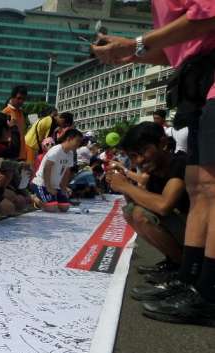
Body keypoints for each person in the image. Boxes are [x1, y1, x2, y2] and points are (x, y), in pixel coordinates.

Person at [93, 0, 215, 325]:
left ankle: (209, 291)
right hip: (198, 87)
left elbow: (207, 16)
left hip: (210, 81)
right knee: (202, 189)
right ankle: (191, 281)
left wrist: (136, 43)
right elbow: (177, 49)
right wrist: (129, 53)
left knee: (211, 192)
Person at [106, 123, 189, 301]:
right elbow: (138, 202)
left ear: (163, 143)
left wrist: (126, 185)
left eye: (143, 152)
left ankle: (186, 269)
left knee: (141, 215)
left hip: (202, 235)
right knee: (130, 211)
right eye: (133, 156)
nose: (139, 161)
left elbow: (163, 205)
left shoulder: (179, 162)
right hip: (187, 230)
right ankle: (175, 262)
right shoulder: (153, 171)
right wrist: (123, 187)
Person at [31, 129, 83, 213]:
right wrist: (48, 187)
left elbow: (67, 172)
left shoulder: (70, 153)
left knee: (65, 208)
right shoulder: (56, 150)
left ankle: (50, 199)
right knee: (52, 209)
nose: (79, 144)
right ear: (69, 139)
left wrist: (63, 188)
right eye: (77, 141)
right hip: (42, 183)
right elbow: (47, 168)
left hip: (56, 185)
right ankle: (34, 198)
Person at [2, 85, 28, 161]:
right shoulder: (6, 112)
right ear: (12, 97)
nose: (21, 101)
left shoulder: (21, 113)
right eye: (19, 98)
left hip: (21, 155)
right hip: (11, 155)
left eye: (23, 99)